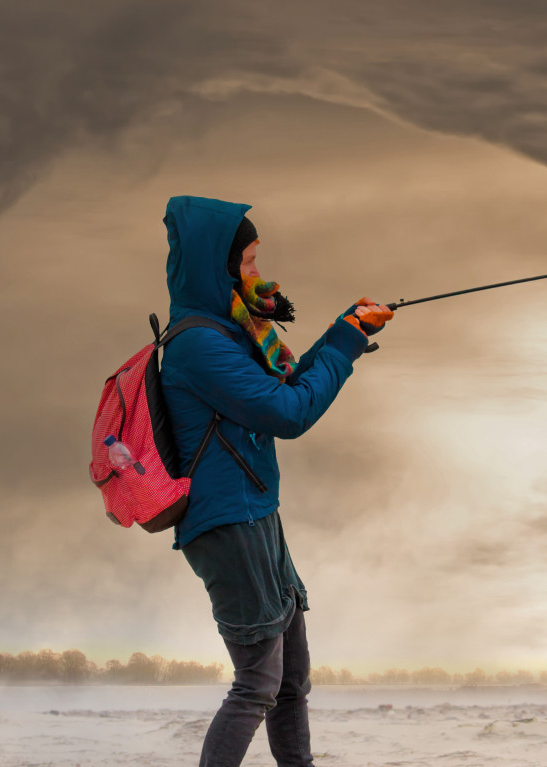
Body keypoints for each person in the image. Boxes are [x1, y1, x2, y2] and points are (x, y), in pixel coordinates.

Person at [159, 195, 393, 767]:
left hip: (257, 514)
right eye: (249, 262)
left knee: (291, 683)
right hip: (228, 524)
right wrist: (345, 342)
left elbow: (284, 388)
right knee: (258, 683)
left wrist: (348, 332)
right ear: (219, 267)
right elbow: (288, 415)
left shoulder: (232, 330)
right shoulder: (198, 344)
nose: (258, 274)